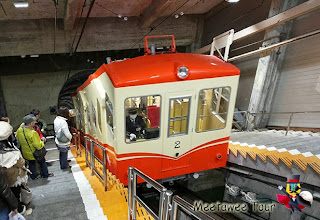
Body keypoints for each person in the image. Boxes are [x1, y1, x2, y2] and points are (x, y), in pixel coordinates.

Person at [0, 121, 32, 215]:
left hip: (5, 182)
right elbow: (21, 163)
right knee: (14, 196)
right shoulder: (11, 153)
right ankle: (19, 211)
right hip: (13, 180)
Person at [16, 115, 53, 179]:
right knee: (42, 162)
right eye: (33, 122)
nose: (34, 123)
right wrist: (42, 143)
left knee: (31, 164)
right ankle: (45, 174)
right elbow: (38, 145)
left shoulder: (19, 131)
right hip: (34, 152)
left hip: (26, 152)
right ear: (30, 123)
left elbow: (17, 138)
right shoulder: (32, 133)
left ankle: (33, 176)